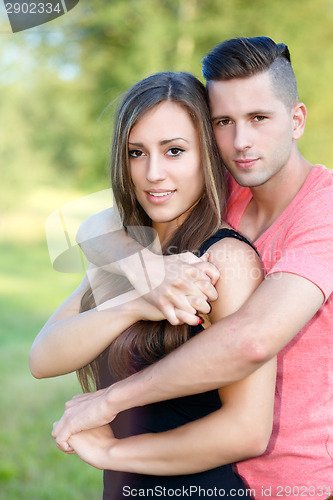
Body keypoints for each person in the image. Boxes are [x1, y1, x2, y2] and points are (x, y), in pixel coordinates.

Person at [49, 36, 333, 499]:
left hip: (293, 484)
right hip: (207, 470)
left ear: (296, 119)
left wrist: (109, 401)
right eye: (224, 122)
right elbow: (96, 225)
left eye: (259, 118)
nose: (241, 142)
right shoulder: (231, 191)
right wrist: (146, 270)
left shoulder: (325, 210)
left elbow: (252, 340)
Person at [30, 71, 276, 499]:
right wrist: (136, 301)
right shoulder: (132, 254)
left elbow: (247, 431)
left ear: (209, 155)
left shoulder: (225, 261)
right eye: (136, 152)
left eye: (175, 151)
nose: (153, 173)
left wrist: (113, 454)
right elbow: (43, 356)